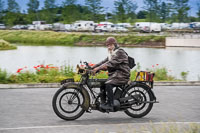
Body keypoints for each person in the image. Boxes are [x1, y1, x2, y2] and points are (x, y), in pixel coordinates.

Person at [92, 37, 130, 111]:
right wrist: (93, 67)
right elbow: (104, 61)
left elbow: (110, 63)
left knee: (108, 84)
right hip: (116, 74)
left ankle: (110, 104)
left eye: (110, 45)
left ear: (114, 44)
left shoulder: (119, 52)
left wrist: (98, 69)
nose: (109, 47)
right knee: (102, 83)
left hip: (122, 74)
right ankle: (103, 103)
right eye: (108, 45)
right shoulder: (112, 53)